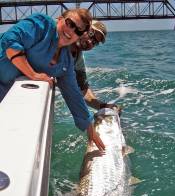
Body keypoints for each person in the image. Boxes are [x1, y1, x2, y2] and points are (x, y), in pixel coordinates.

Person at [0, 9, 105, 151]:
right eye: (70, 23)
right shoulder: (41, 24)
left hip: (7, 96)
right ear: (60, 18)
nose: (71, 31)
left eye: (78, 31)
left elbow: (72, 92)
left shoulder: (67, 60)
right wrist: (33, 75)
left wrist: (89, 127)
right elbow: (10, 40)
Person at [69, 20, 121, 113]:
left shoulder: (78, 59)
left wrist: (104, 106)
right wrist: (34, 73)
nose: (89, 42)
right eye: (91, 34)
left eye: (95, 42)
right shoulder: (57, 36)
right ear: (82, 28)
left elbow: (84, 91)